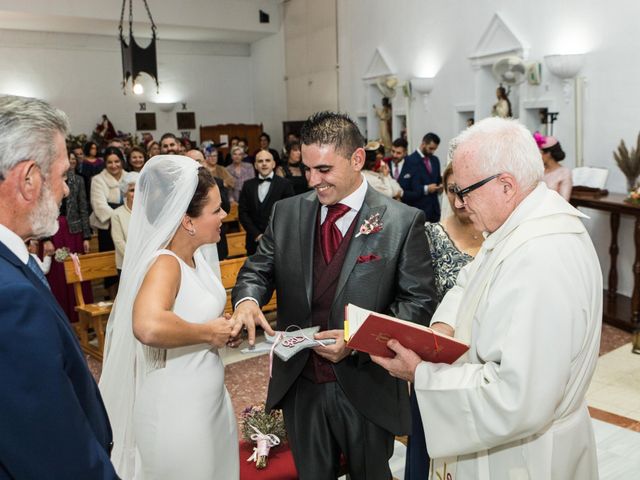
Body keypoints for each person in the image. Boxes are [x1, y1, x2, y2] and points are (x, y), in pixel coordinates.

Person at [372, 117, 602, 480]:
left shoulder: (539, 256)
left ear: (506, 185)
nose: (460, 204)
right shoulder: (521, 226)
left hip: (524, 459)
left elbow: (516, 398)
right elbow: (470, 279)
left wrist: (421, 373)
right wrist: (444, 326)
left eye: (466, 191)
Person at [231, 111, 436, 479]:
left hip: (366, 385)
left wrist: (356, 340)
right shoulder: (286, 213)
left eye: (324, 169)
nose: (313, 180)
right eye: (308, 169)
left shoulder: (402, 222)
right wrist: (247, 299)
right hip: (301, 384)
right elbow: (258, 269)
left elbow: (417, 303)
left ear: (357, 159)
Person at [99, 155, 240, 479]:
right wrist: (208, 332)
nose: (224, 215)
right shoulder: (165, 263)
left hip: (209, 401)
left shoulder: (195, 257)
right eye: (215, 209)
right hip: (178, 411)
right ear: (187, 221)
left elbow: (192, 311)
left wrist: (222, 326)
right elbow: (147, 326)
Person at [0, 95, 117, 478]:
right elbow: (55, 453)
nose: (67, 190)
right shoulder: (10, 298)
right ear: (29, 179)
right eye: (63, 176)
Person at [405, 162, 483, 480]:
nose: (459, 199)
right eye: (452, 190)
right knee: (427, 447)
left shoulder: (497, 238)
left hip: (479, 360)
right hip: (435, 358)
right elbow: (417, 297)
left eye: (466, 191)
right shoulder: (430, 234)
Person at [42, 150, 93, 323]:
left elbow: (83, 207)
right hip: (53, 232)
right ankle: (63, 317)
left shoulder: (78, 180)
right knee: (58, 273)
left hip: (74, 233)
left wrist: (86, 236)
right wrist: (45, 238)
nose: (69, 162)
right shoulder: (45, 180)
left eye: (72, 160)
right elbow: (41, 210)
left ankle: (82, 318)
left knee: (76, 271)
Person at [239, 150, 294, 255]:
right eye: (260, 161)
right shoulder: (247, 185)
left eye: (267, 160)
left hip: (278, 241)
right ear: (255, 165)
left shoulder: (285, 184)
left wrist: (273, 236)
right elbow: (243, 213)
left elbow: (289, 213)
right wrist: (257, 235)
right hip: (253, 243)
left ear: (273, 164)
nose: (264, 163)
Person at [90, 146, 125, 299]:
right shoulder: (98, 180)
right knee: (111, 266)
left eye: (117, 161)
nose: (114, 165)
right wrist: (119, 218)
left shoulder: (130, 176)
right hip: (108, 227)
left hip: (129, 227)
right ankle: (112, 299)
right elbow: (99, 205)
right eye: (109, 162)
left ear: (122, 161)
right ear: (105, 163)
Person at [186, 148, 231, 260]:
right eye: (191, 162)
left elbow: (226, 208)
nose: (195, 165)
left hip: (214, 238)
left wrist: (211, 185)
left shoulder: (217, 182)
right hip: (191, 240)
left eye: (198, 161)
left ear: (205, 162)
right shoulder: (181, 188)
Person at [401, 132, 443, 222]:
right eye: (430, 148)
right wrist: (426, 189)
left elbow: (437, 179)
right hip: (418, 210)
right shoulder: (409, 160)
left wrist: (441, 186)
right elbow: (405, 187)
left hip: (434, 210)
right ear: (423, 144)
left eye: (435, 149)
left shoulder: (435, 160)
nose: (432, 152)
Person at [111, 171, 139, 273]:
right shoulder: (117, 214)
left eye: (138, 190)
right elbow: (119, 242)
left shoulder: (146, 213)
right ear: (125, 192)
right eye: (132, 190)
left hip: (146, 263)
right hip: (126, 265)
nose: (135, 194)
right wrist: (135, 259)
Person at [539, 135, 572, 201]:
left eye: (540, 153)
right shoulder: (539, 170)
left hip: (552, 210)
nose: (538, 156)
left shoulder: (564, 172)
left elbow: (564, 201)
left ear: (548, 154)